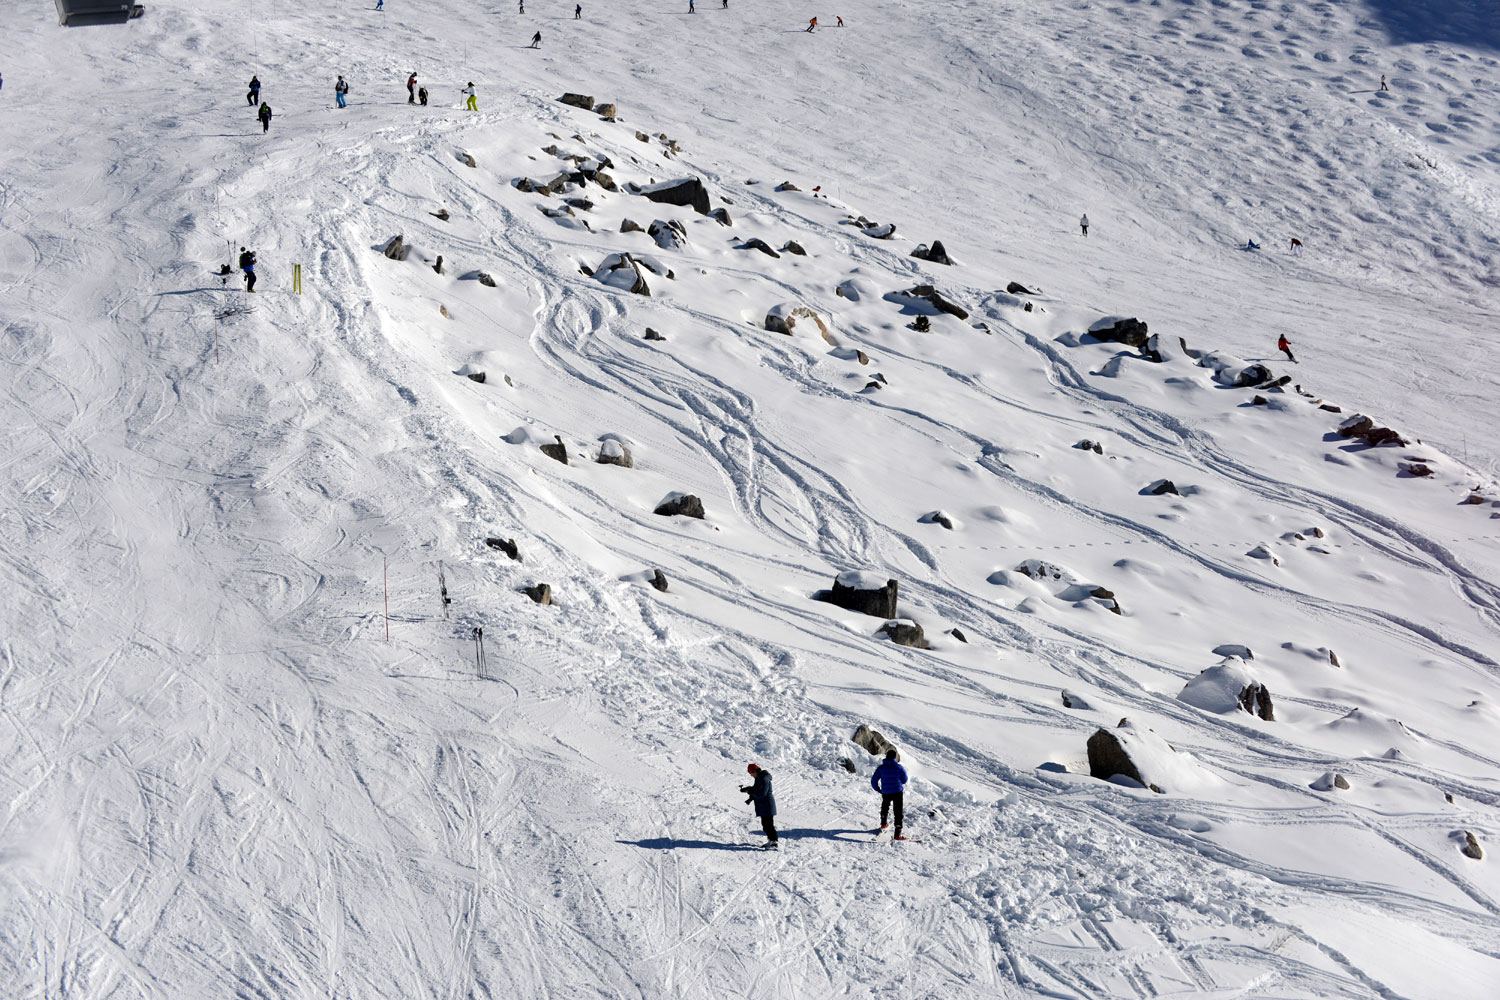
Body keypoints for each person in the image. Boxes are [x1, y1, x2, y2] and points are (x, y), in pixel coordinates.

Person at [870, 750, 909, 840]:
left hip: (886, 792)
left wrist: (878, 789)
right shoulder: (899, 767)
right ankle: (897, 834)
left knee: (885, 807)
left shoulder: (881, 768)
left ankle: (883, 824)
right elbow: (904, 780)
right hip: (897, 792)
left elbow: (873, 780)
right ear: (894, 757)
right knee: (898, 812)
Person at [740, 764, 778, 848]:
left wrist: (749, 791)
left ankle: (774, 842)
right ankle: (771, 841)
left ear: (754, 771)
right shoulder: (759, 779)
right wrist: (748, 789)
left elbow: (762, 793)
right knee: (765, 825)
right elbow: (756, 790)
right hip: (763, 805)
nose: (751, 775)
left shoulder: (764, 779)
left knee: (768, 825)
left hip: (767, 805)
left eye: (751, 773)